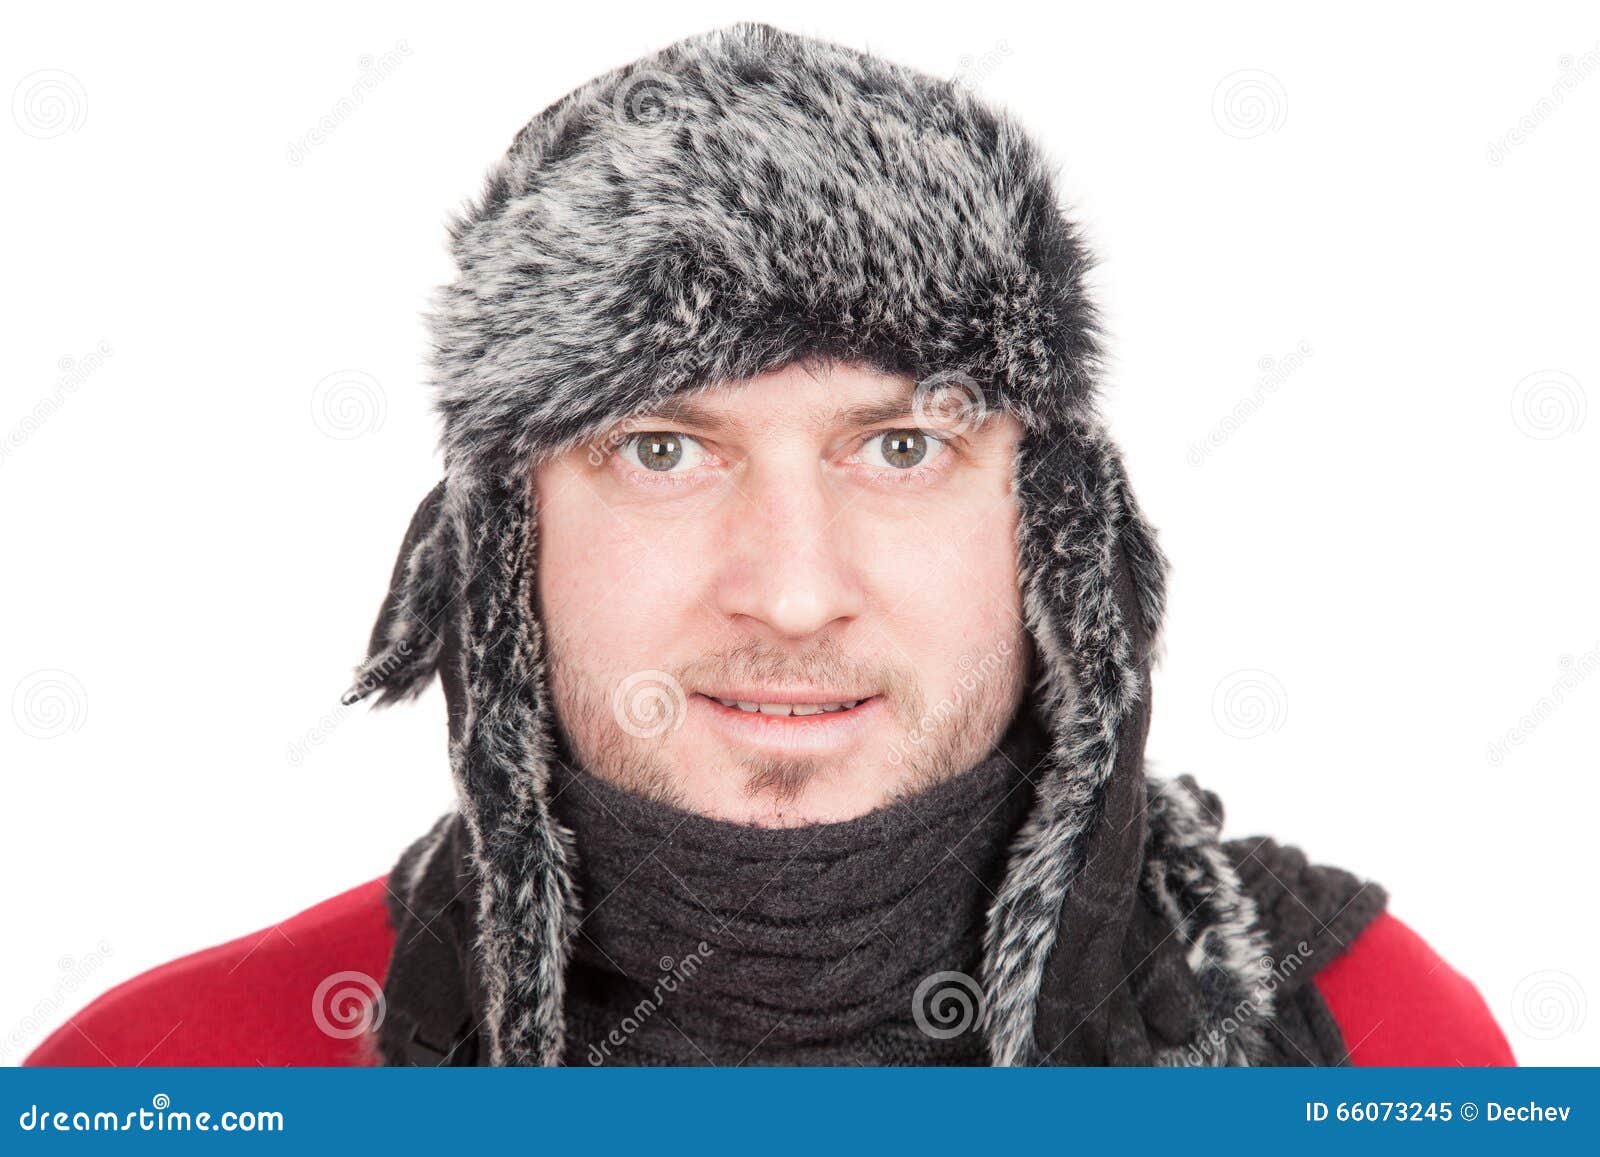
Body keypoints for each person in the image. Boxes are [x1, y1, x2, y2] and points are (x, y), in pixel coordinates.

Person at [27, 22, 1513, 1068]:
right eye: (662, 451)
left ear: (1055, 532)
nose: (793, 594)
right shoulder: (171, 1078)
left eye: (902, 448)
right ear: (499, 550)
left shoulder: (1382, 1045)